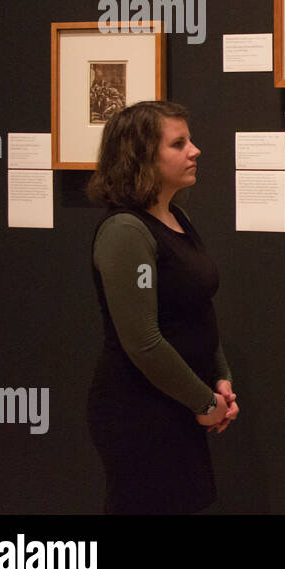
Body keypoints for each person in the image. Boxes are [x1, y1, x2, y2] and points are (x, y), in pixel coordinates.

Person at [85, 100, 238, 514]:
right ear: (142, 159)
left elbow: (197, 307)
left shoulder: (178, 218)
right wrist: (205, 403)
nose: (196, 150)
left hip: (181, 403)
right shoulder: (126, 231)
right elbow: (143, 342)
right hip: (139, 412)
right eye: (179, 143)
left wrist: (220, 380)